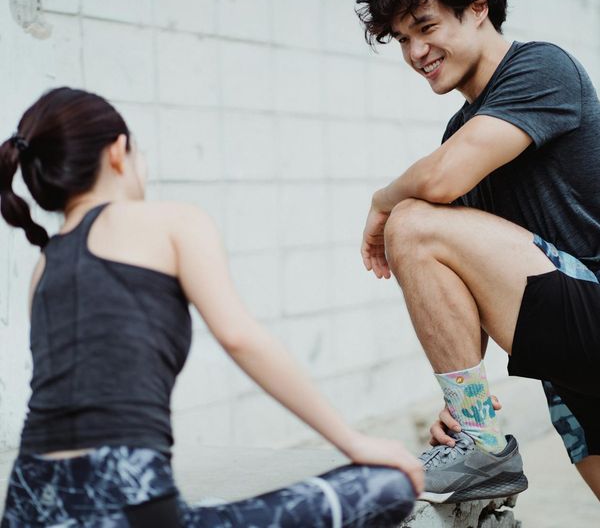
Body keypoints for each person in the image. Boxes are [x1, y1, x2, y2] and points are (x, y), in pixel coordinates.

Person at [0, 87, 422, 527]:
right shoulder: (171, 222)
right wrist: (354, 442)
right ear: (119, 152)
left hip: (26, 503)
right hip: (130, 508)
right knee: (387, 486)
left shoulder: (44, 268)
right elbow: (240, 337)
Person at [355, 0, 600, 504]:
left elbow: (437, 184)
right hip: (568, 357)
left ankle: (483, 449)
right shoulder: (459, 136)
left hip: (590, 305)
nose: (416, 53)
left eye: (426, 26)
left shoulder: (542, 68)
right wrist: (461, 407)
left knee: (411, 221)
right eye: (402, 38)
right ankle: (477, 438)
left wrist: (380, 202)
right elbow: (470, 286)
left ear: (478, 8)